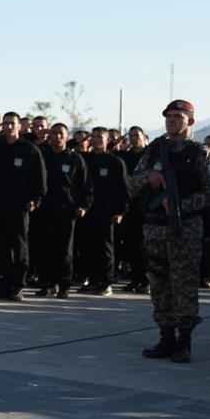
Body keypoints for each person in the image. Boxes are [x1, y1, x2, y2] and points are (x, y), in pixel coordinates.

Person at [127, 100, 210, 364]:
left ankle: (184, 341)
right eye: (168, 117)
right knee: (158, 284)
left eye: (178, 117)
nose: (171, 121)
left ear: (190, 121)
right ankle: (165, 336)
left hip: (185, 228)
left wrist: (182, 205)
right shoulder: (155, 149)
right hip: (155, 227)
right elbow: (132, 183)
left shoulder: (201, 153)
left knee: (184, 285)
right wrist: (148, 178)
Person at [0, 112, 46, 301]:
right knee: (1, 246)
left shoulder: (29, 149)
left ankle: (18, 285)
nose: (9, 127)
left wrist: (35, 199)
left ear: (19, 126)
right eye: (5, 124)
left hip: (20, 206)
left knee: (19, 245)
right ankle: (3, 285)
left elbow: (40, 178)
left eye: (12, 123)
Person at [34, 123, 90, 298]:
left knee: (64, 250)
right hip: (44, 209)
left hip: (67, 210)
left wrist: (83, 206)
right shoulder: (43, 156)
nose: (57, 137)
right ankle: (47, 284)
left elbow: (85, 185)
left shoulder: (75, 159)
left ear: (67, 137)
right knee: (44, 248)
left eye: (60, 134)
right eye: (54, 133)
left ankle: (64, 285)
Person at [78, 126, 129, 295]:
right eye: (94, 137)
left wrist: (121, 211)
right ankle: (92, 280)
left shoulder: (115, 162)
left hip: (107, 211)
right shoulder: (84, 159)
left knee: (105, 248)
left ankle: (106, 282)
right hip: (87, 211)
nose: (97, 140)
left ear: (108, 140)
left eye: (101, 137)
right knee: (88, 247)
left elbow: (123, 189)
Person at [117, 126, 149, 292]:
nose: (134, 138)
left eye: (137, 135)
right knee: (131, 244)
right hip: (129, 205)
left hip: (146, 205)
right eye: (131, 135)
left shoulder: (150, 155)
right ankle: (135, 279)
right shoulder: (125, 156)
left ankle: (145, 280)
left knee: (145, 245)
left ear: (144, 137)